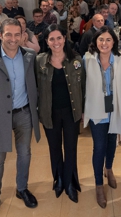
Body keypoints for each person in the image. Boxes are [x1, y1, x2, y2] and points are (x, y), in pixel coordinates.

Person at [0, 18, 41, 217]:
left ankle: (22, 188)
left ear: (23, 35)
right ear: (1, 35)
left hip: (24, 113)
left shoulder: (30, 56)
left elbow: (36, 85)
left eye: (17, 34)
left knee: (25, 154)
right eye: (8, 34)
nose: (13, 39)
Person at [36, 24, 86, 203]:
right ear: (47, 42)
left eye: (59, 38)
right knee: (54, 148)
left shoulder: (76, 60)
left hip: (72, 112)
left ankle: (70, 182)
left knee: (71, 148)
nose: (56, 42)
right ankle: (58, 180)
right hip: (49, 112)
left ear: (64, 39)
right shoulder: (39, 61)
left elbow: (83, 87)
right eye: (52, 39)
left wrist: (83, 111)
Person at [83, 26, 121, 208]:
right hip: (97, 110)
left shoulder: (119, 58)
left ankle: (108, 169)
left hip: (114, 108)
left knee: (112, 143)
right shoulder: (88, 59)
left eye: (108, 40)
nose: (104, 43)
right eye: (101, 39)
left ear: (114, 42)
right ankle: (98, 185)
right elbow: (82, 85)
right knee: (99, 146)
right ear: (95, 41)